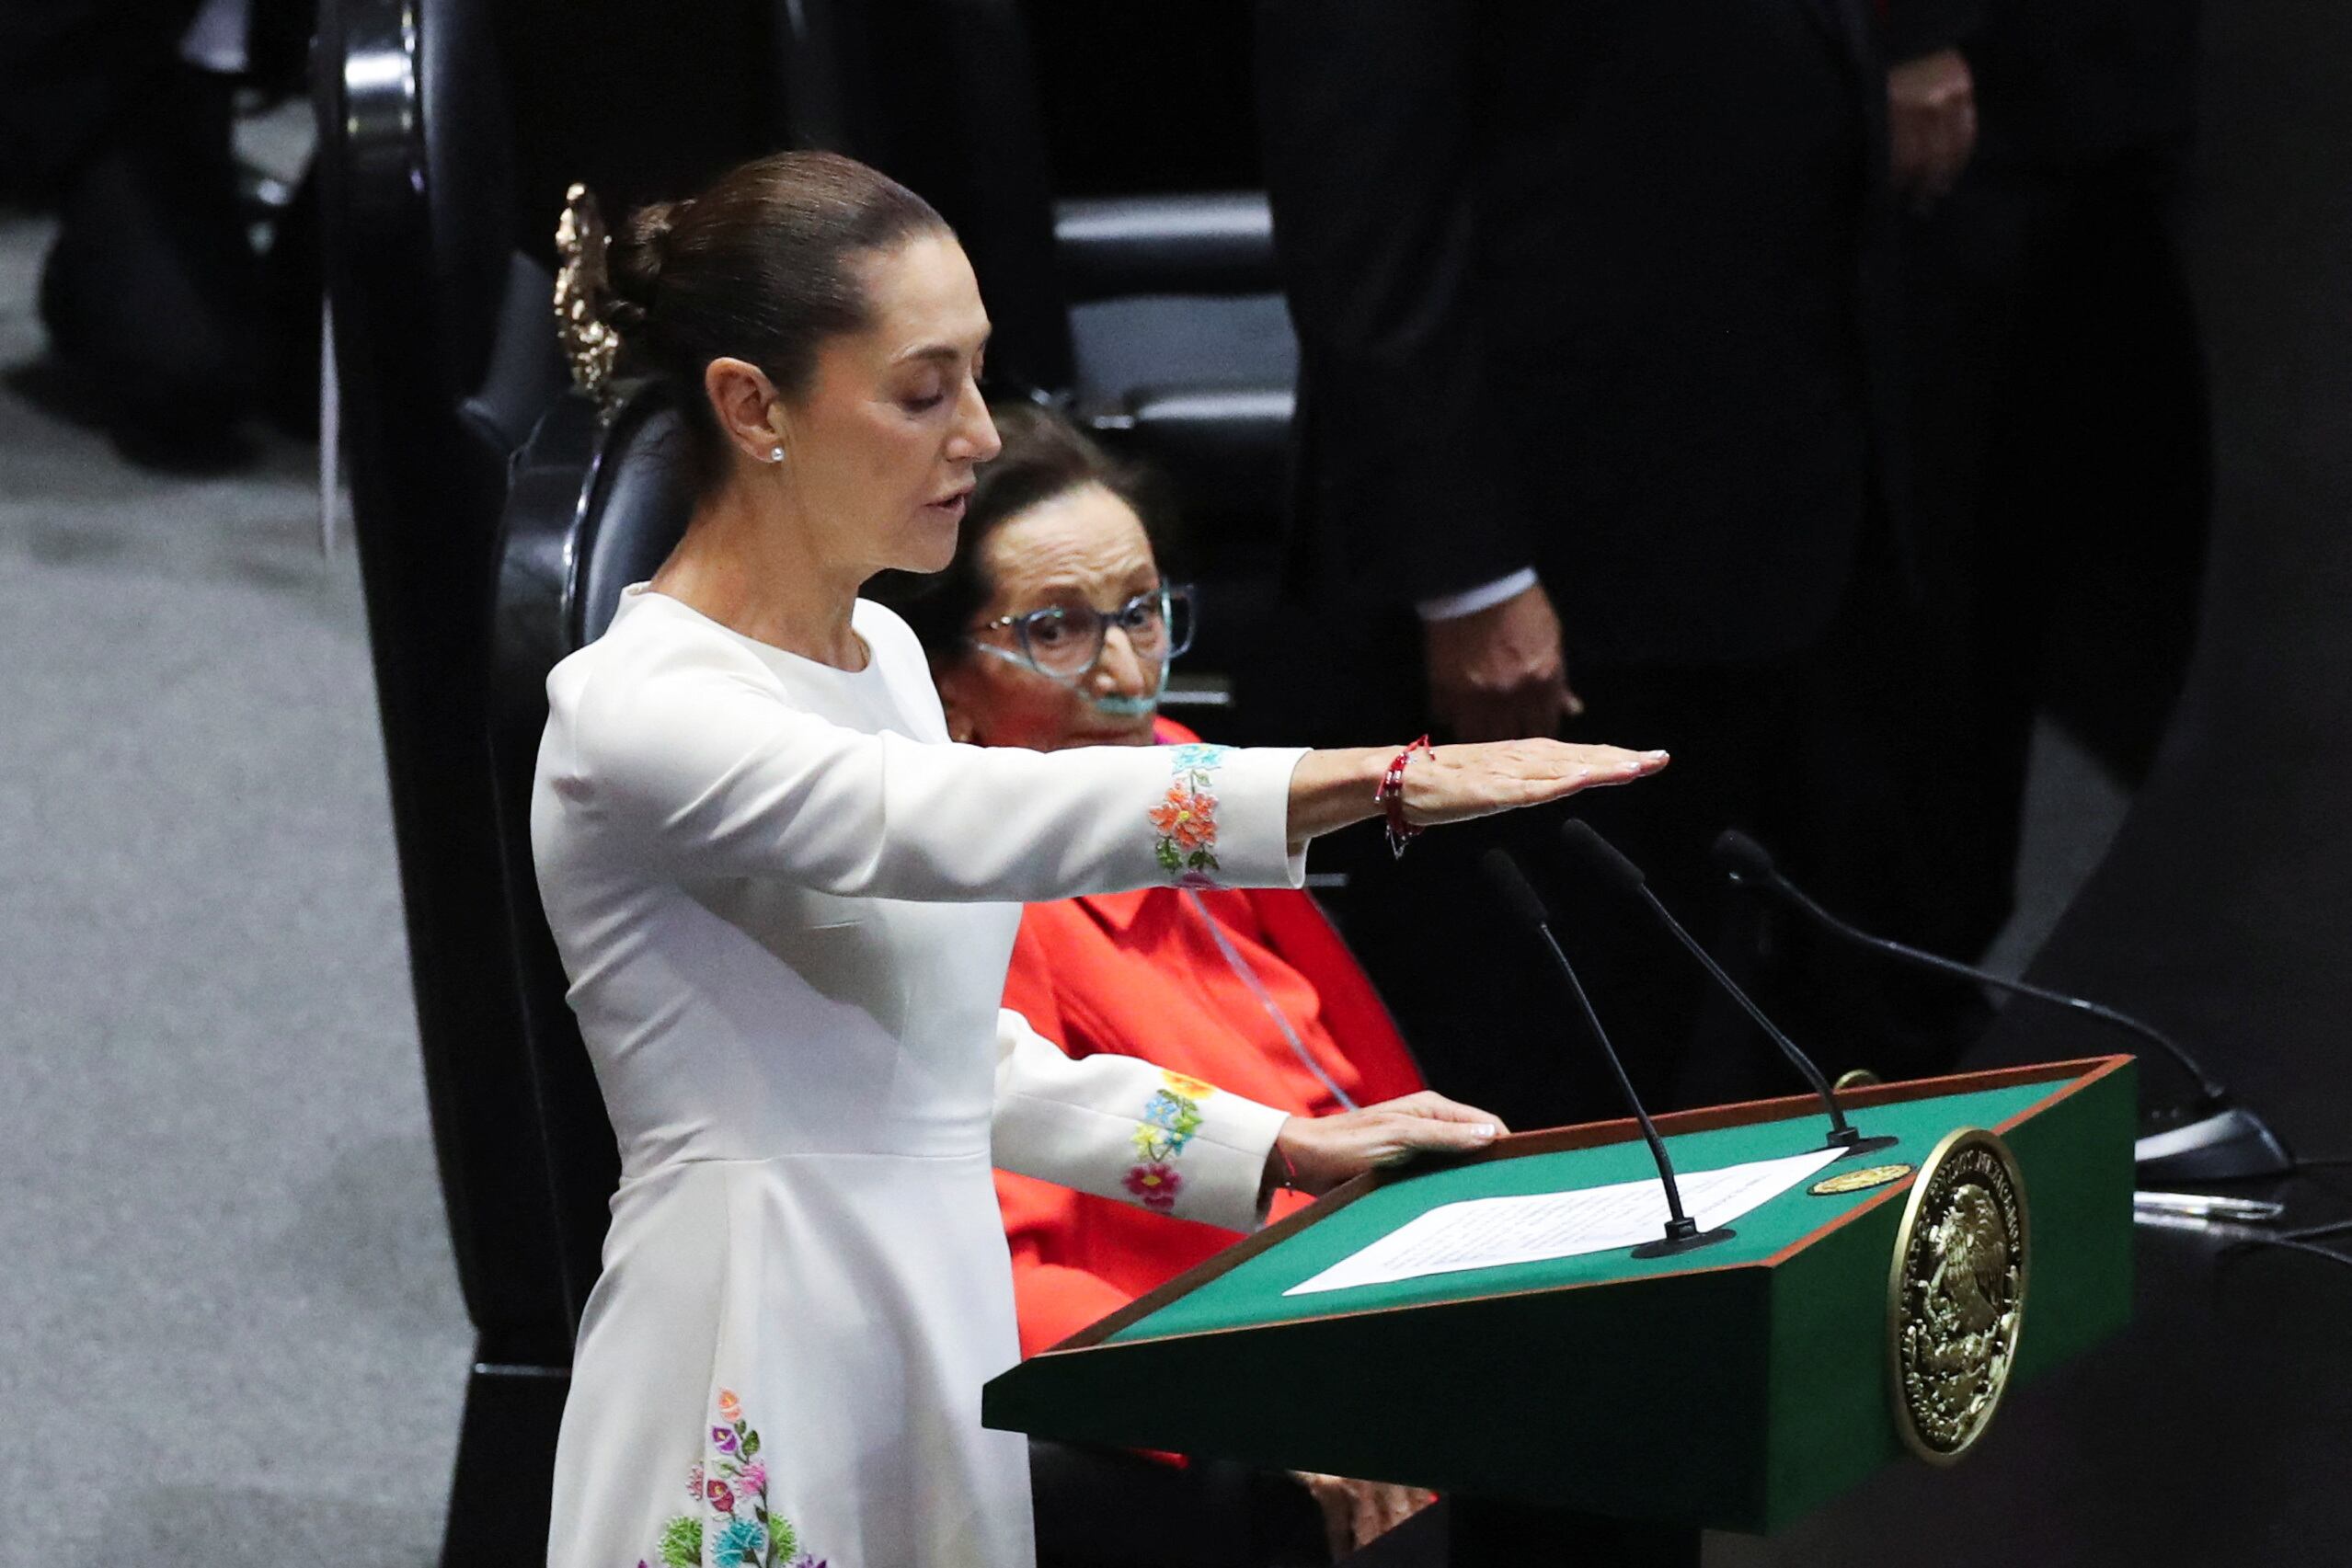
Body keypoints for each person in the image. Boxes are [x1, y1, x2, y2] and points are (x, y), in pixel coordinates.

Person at [531, 151, 1669, 1568]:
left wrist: (1283, 1149)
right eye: (920, 390)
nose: (975, 438)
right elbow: (942, 822)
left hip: (929, 1317)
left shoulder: (886, 650)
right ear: (752, 405)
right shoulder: (638, 709)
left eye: (975, 380)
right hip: (755, 1326)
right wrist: (1361, 780)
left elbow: (955, 1060)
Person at [1251, 0, 1972, 1118]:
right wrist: (1469, 573)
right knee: (1562, 1085)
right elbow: (1364, 208)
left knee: (1810, 1070)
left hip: (1807, 524)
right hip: (1555, 576)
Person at [879, 405, 1437, 1563]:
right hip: (1223, 1362)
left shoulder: (1174, 772)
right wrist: (1239, 1396)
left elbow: (1375, 1082)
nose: (1127, 673)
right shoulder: (973, 897)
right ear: (946, 689)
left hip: (1370, 1295)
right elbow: (1000, 1277)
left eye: (1140, 612)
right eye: (1057, 631)